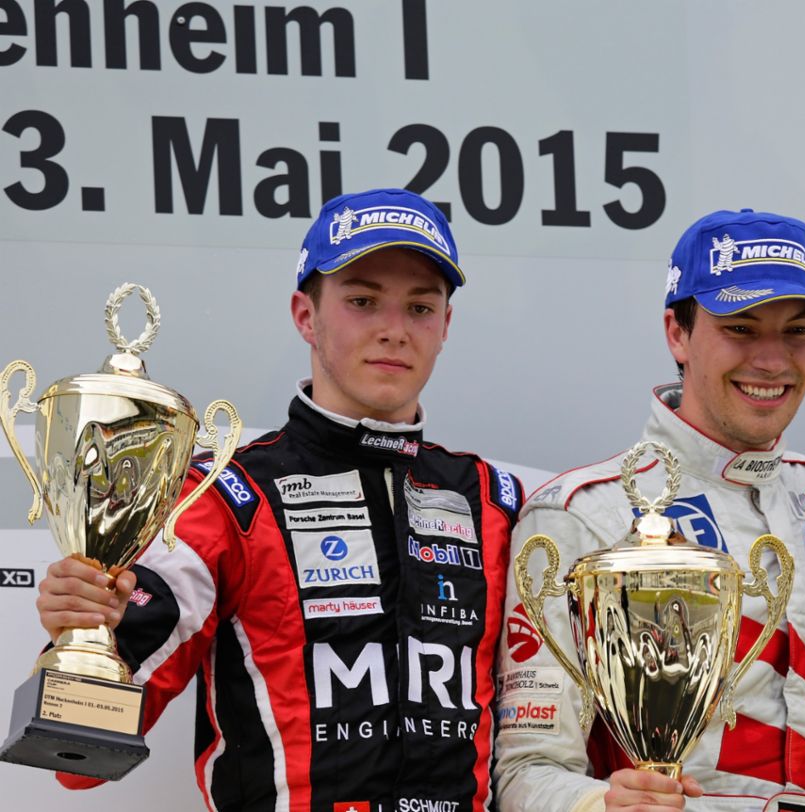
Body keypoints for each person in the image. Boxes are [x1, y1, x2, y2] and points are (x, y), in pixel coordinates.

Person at [35, 188, 520, 812]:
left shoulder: (492, 502)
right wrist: (77, 633)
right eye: (362, 300)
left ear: (446, 325)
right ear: (305, 314)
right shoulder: (225, 497)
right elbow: (76, 760)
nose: (394, 330)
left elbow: (543, 734)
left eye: (420, 307)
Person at [493, 209, 805, 812]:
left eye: (798, 331)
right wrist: (604, 806)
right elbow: (526, 773)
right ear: (678, 332)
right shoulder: (581, 514)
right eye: (742, 329)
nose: (773, 361)